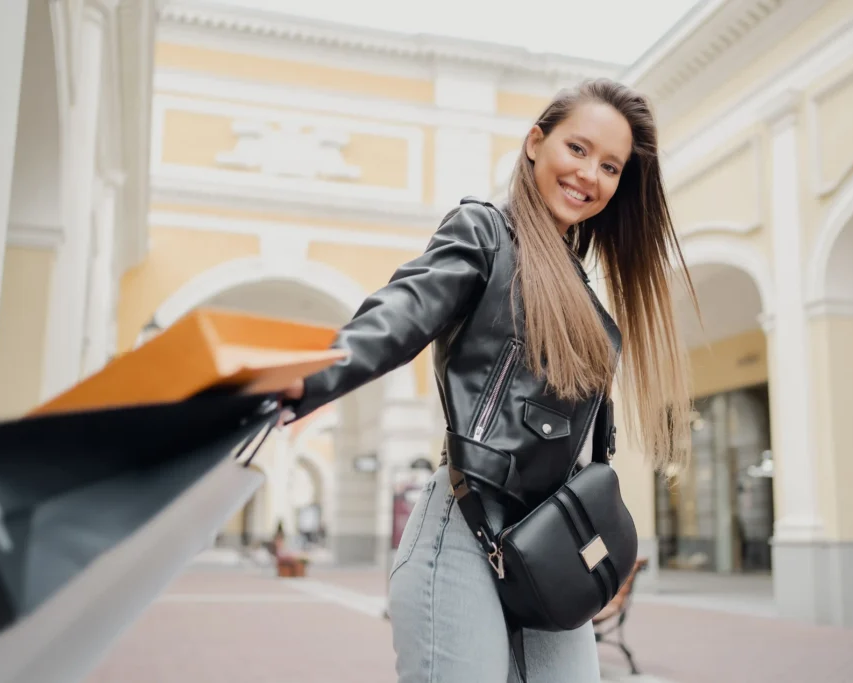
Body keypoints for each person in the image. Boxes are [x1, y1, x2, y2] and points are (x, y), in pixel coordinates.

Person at [282, 78, 694, 682]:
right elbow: (402, 313)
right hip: (465, 525)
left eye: (610, 166)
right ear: (535, 143)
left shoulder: (581, 293)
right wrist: (303, 380)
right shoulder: (484, 233)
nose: (589, 175)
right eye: (577, 149)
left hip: (550, 541)